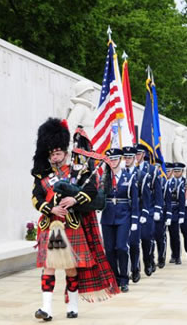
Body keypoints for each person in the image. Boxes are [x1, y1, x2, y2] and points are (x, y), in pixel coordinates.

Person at [31, 117, 119, 321]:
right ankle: (47, 309)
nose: (54, 156)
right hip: (51, 225)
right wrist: (51, 208)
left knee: (71, 268)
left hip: (71, 224)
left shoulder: (78, 170)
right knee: (49, 266)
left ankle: (72, 305)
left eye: (58, 152)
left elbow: (91, 191)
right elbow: (36, 197)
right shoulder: (41, 175)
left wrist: (74, 199)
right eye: (51, 153)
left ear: (64, 150)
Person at [100, 148, 139, 293]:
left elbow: (134, 200)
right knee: (109, 249)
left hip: (124, 216)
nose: (113, 162)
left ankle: (124, 278)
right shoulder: (104, 178)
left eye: (115, 159)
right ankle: (114, 279)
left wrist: (134, 220)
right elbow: (99, 196)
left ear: (120, 160)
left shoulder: (129, 177)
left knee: (122, 247)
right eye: (110, 159)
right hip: (108, 216)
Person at [122, 146, 151, 283]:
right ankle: (125, 271)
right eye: (125, 157)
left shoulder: (142, 175)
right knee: (123, 244)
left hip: (136, 212)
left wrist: (144, 213)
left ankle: (135, 268)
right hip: (122, 213)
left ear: (135, 158)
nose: (127, 160)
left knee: (134, 243)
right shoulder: (119, 174)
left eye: (129, 157)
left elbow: (146, 196)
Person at [135, 144, 163, 276]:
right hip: (134, 208)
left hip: (149, 207)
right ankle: (135, 267)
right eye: (135, 154)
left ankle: (149, 260)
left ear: (143, 155)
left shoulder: (152, 170)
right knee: (133, 240)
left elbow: (157, 191)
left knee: (146, 237)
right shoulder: (129, 169)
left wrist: (158, 209)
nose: (136, 157)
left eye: (138, 154)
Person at [168, 162, 186, 265]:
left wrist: (182, 214)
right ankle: (173, 254)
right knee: (170, 235)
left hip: (175, 212)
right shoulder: (165, 182)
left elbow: (181, 200)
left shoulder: (178, 184)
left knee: (175, 235)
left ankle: (177, 256)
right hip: (166, 212)